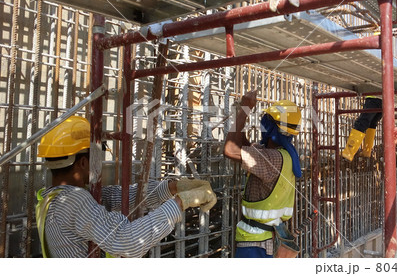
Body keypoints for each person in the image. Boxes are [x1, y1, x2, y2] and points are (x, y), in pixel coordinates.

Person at [36, 116, 216, 258]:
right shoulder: (74, 201)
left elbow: (117, 197)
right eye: (96, 156)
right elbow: (128, 242)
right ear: (83, 163)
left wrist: (175, 187)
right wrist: (180, 203)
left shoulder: (52, 198)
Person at [223, 90, 302, 258]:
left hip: (256, 243)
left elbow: (230, 150)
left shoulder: (272, 159)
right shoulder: (284, 155)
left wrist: (245, 109)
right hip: (268, 238)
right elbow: (243, 146)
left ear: (272, 128)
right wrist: (240, 112)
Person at [342, 96, 382, 162]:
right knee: (372, 124)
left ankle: (348, 153)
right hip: (383, 100)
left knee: (362, 122)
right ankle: (367, 152)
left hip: (373, 97)